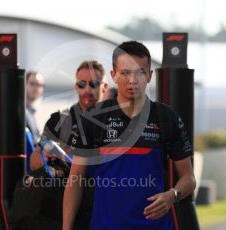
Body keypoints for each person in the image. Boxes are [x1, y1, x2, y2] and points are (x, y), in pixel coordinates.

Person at [63, 41, 196, 230]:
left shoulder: (166, 117)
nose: (132, 80)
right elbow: (75, 178)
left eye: (140, 72)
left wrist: (172, 195)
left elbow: (189, 178)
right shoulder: (94, 118)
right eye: (125, 72)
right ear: (114, 75)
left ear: (150, 76)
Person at [28, 60, 108, 229]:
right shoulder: (60, 120)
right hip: (61, 210)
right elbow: (34, 162)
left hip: (103, 210)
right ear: (75, 87)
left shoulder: (115, 121)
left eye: (93, 84)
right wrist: (48, 157)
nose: (87, 89)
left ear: (105, 87)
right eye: (81, 84)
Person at [25, 71, 45, 146]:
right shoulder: (21, 111)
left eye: (40, 85)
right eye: (32, 84)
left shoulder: (34, 111)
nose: (36, 88)